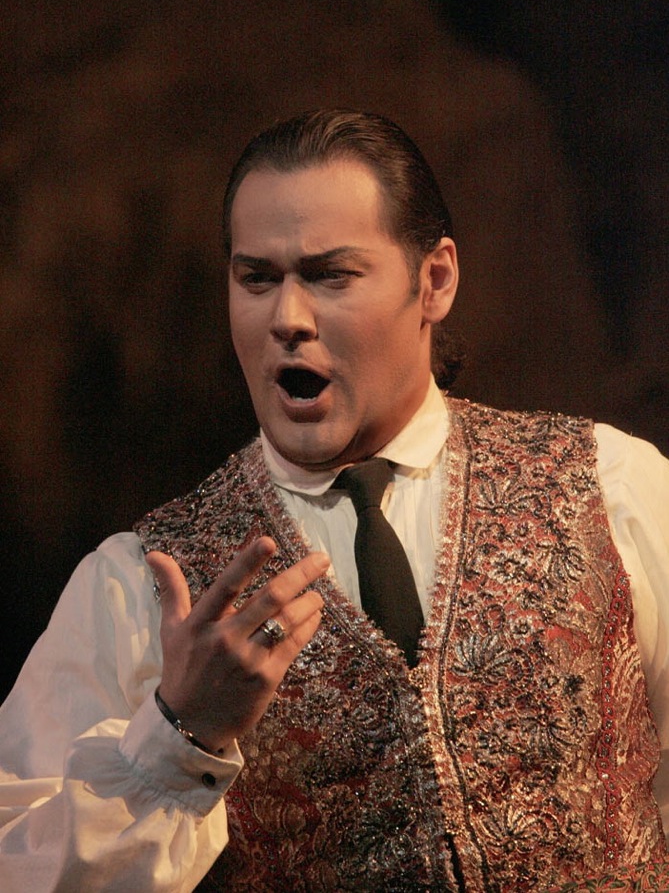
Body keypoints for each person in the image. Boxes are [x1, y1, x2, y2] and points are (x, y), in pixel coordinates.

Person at [0, 109, 668, 892]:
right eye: (257, 278)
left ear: (433, 281)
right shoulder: (142, 585)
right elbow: (23, 868)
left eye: (330, 276)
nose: (287, 318)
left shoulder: (607, 486)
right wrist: (179, 734)